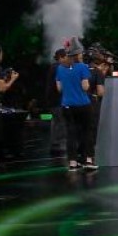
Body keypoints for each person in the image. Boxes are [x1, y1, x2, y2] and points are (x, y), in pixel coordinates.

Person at [56, 38, 93, 171]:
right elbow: (85, 87)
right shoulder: (83, 67)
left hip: (67, 105)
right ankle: (88, 160)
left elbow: (59, 88)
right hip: (83, 104)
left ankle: (72, 162)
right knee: (86, 132)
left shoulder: (60, 68)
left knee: (71, 133)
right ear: (78, 54)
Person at [45, 48, 69, 156]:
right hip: (57, 100)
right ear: (61, 57)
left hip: (52, 100)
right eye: (66, 57)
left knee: (56, 122)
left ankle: (55, 144)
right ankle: (59, 145)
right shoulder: (58, 68)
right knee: (60, 122)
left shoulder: (54, 67)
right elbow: (60, 86)